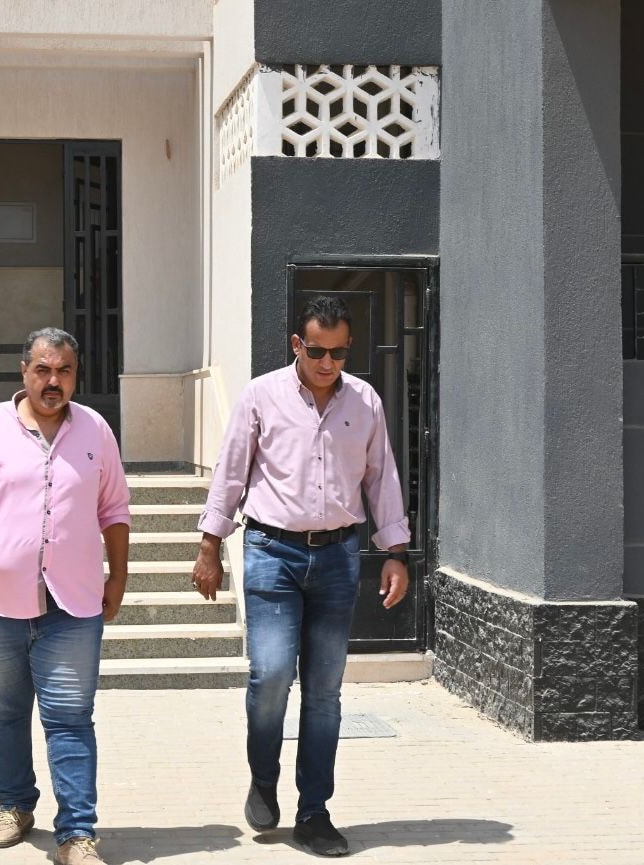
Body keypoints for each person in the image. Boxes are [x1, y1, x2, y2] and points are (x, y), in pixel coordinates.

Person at [190, 296, 410, 857]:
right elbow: (231, 471)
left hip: (337, 559)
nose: (327, 362)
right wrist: (210, 545)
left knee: (324, 692)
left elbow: (381, 477)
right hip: (272, 552)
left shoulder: (364, 401)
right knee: (269, 676)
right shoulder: (261, 395)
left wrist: (396, 552)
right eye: (316, 351)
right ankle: (264, 778)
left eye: (338, 353)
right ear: (297, 345)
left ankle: (314, 811)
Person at [0, 327, 130, 865]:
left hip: (73, 605)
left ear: (76, 375)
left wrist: (118, 576)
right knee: (5, 710)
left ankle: (77, 834)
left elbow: (114, 508)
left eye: (64, 370)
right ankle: (15, 806)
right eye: (43, 369)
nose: (53, 381)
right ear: (24, 371)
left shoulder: (95, 429)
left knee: (70, 717)